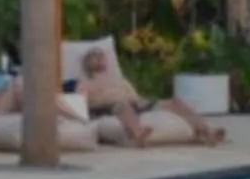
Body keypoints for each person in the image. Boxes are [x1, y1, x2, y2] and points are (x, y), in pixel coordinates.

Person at [79, 45, 226, 147]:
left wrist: (143, 102)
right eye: (94, 57)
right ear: (87, 63)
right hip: (109, 107)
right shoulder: (86, 82)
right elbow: (84, 103)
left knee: (174, 102)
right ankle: (138, 134)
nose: (98, 59)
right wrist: (111, 99)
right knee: (122, 105)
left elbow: (136, 96)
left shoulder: (120, 80)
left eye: (101, 56)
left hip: (134, 104)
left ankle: (206, 130)